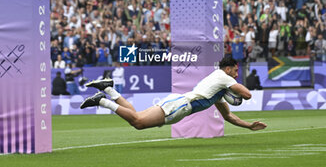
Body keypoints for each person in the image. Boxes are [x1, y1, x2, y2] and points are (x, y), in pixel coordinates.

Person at [80, 57, 267, 131]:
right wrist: (233, 86)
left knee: (137, 116)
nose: (236, 74)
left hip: (179, 103)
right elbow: (247, 95)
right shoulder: (222, 76)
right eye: (235, 71)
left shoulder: (218, 91)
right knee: (137, 122)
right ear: (227, 69)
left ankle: (108, 89)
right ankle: (103, 101)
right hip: (180, 106)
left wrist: (249, 126)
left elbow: (228, 116)